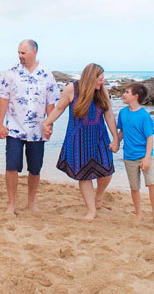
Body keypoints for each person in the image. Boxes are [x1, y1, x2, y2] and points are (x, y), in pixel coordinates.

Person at [42, 63, 119, 221]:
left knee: (107, 171)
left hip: (99, 137)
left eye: (103, 79)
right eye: (100, 79)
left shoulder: (102, 91)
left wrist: (115, 137)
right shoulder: (72, 89)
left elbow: (109, 116)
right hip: (78, 138)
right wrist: (47, 122)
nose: (102, 82)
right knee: (84, 175)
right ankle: (91, 210)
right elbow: (59, 109)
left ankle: (98, 196)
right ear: (91, 78)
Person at [0, 39, 60, 214]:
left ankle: (31, 202)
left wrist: (50, 125)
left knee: (35, 168)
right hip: (14, 128)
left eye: (23, 53)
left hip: (37, 131)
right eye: (19, 53)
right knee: (11, 166)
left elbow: (51, 103)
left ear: (34, 52)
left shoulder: (46, 74)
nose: (20, 56)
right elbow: (3, 100)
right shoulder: (11, 72)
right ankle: (11, 204)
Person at [114, 82, 154, 226]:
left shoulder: (144, 115)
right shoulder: (123, 113)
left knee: (152, 184)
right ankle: (138, 214)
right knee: (134, 187)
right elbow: (121, 131)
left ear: (135, 96)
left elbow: (150, 138)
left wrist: (147, 158)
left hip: (145, 156)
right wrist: (115, 142)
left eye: (127, 92)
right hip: (129, 156)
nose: (123, 94)